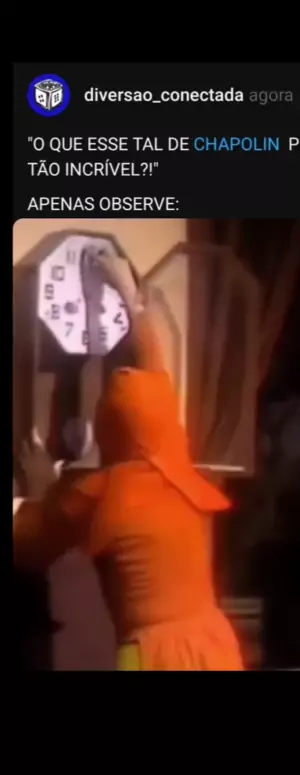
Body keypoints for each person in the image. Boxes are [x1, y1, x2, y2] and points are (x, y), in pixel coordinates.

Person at [13, 253, 244, 671]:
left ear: (107, 429)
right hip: (212, 642)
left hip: (151, 653)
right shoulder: (173, 460)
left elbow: (31, 542)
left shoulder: (100, 491)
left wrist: (41, 490)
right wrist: (128, 292)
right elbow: (151, 363)